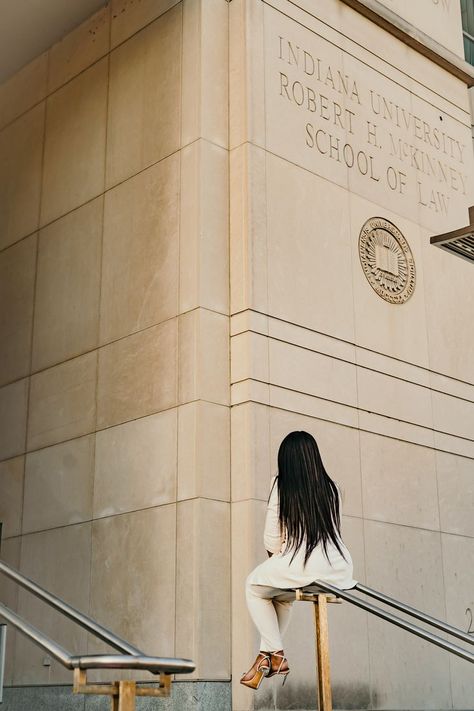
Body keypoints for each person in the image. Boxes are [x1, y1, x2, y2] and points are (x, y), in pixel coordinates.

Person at [240, 430, 356, 690]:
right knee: (281, 597)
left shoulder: (281, 485)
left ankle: (276, 655)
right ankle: (266, 657)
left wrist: (279, 556)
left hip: (302, 564)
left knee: (253, 586)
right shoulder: (334, 489)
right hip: (340, 567)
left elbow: (271, 539)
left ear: (286, 461)